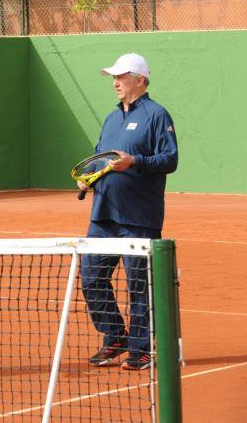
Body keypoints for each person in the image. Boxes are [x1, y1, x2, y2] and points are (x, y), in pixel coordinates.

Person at [78, 52, 178, 371]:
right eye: (113, 77)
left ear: (140, 80)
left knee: (139, 285)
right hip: (104, 215)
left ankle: (142, 348)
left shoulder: (157, 115)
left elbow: (170, 159)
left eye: (121, 77)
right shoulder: (111, 119)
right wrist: (88, 179)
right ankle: (114, 336)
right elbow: (99, 157)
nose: (115, 82)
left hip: (139, 217)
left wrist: (135, 161)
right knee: (91, 277)